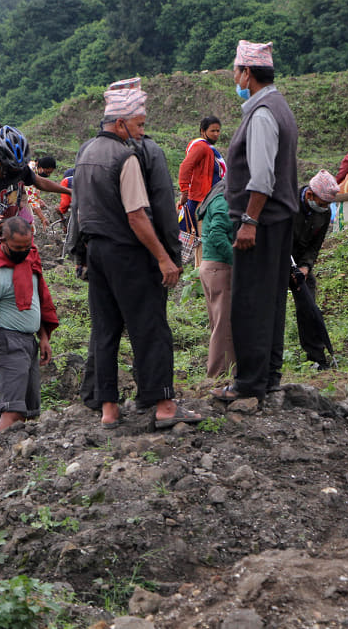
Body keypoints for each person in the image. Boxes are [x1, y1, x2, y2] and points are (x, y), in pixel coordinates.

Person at [74, 77, 201, 430]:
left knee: (105, 330)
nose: (142, 132)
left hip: (96, 251)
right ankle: (162, 404)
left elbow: (78, 211)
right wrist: (164, 256)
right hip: (128, 253)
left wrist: (80, 253)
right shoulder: (127, 156)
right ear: (120, 123)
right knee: (150, 327)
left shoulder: (86, 153)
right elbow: (139, 215)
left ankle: (109, 411)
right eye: (139, 124)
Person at [212, 40, 299, 403]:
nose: (234, 77)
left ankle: (249, 383)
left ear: (247, 74)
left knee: (250, 301)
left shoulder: (262, 113)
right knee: (271, 300)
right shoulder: (278, 106)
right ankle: (269, 377)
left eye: (236, 70)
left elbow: (261, 177)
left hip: (261, 222)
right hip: (279, 219)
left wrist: (249, 220)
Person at [0, 218, 58, 431]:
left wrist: (43, 337)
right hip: (7, 342)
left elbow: (37, 302)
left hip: (28, 342)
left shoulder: (29, 262)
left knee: (27, 412)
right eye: (18, 247)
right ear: (3, 241)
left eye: (27, 246)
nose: (24, 251)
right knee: (12, 412)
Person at [0, 126, 69, 265]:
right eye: (13, 169)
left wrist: (70, 191)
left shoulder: (21, 170)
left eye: (20, 168)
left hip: (12, 238)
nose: (18, 173)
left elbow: (41, 182)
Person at [290, 170, 340, 370]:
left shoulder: (324, 213)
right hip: (277, 261)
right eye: (322, 203)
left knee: (309, 307)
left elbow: (315, 246)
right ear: (310, 195)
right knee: (271, 308)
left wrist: (305, 267)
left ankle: (317, 356)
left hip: (300, 264)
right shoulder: (288, 203)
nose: (325, 208)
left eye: (327, 205)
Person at [196, 178, 236, 379]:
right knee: (223, 325)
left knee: (219, 323)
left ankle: (225, 371)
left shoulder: (214, 198)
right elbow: (217, 235)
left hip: (210, 267)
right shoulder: (223, 201)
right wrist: (236, 262)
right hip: (219, 267)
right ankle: (219, 375)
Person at [177, 116, 226, 237]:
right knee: (203, 238)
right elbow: (185, 167)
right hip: (201, 200)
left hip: (208, 198)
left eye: (218, 131)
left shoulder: (208, 149)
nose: (216, 134)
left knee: (201, 239)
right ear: (203, 131)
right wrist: (184, 192)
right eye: (212, 131)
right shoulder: (201, 147)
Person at [25, 156, 57, 228]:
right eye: (47, 172)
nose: (48, 175)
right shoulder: (30, 170)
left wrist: (38, 198)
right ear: (41, 167)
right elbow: (31, 198)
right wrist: (42, 218)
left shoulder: (36, 171)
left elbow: (35, 190)